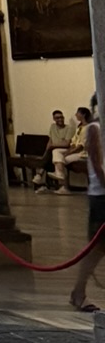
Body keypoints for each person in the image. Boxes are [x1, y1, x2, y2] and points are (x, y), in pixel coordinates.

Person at [68, 113, 105, 311]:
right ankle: (78, 293)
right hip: (102, 196)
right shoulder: (94, 128)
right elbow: (98, 165)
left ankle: (78, 292)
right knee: (97, 248)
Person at [50, 106, 92, 191]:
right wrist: (69, 150)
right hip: (75, 151)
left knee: (62, 160)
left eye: (78, 113)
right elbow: (73, 142)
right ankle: (59, 175)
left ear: (83, 115)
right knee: (56, 151)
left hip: (83, 154)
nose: (76, 115)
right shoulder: (79, 127)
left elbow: (81, 146)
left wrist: (68, 153)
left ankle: (63, 186)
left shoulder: (88, 127)